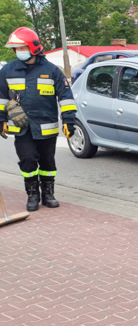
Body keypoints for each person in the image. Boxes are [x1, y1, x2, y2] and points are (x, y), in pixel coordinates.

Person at [0, 27, 77, 211]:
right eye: (16, 49)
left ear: (33, 47)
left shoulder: (52, 71)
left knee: (47, 163)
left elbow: (66, 96)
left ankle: (48, 194)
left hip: (46, 126)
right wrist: (0, 118)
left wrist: (69, 121)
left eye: (22, 48)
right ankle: (32, 194)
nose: (19, 52)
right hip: (22, 127)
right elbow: (1, 97)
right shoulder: (7, 71)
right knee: (27, 160)